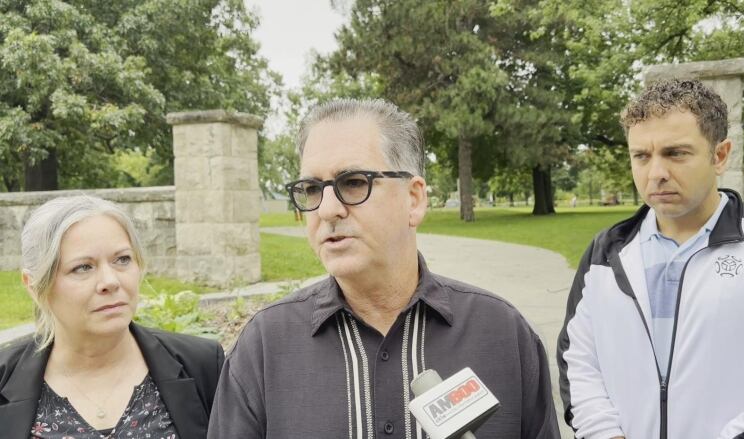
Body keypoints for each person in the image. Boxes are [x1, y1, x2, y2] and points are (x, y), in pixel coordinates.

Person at [208, 99, 560, 438]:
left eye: (354, 182)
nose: (328, 209)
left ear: (414, 199)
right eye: (311, 188)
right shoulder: (265, 347)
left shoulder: (502, 335)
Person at [557, 79, 744, 438]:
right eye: (641, 156)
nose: (656, 173)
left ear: (720, 155)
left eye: (676, 153)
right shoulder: (606, 252)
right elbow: (579, 363)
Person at [0, 195, 224, 438]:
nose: (110, 281)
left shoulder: (202, 365)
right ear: (34, 286)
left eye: (122, 260)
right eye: (83, 267)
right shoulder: (4, 380)